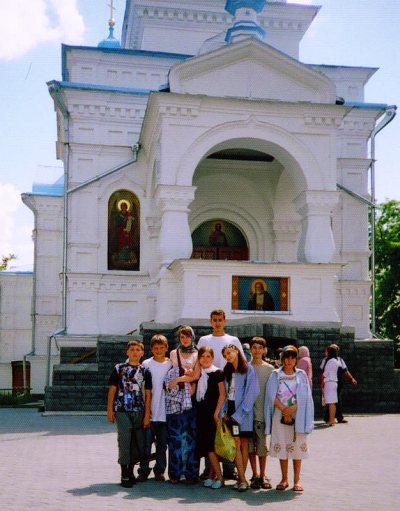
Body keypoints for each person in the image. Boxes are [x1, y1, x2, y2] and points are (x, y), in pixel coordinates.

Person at [197, 308, 244, 479]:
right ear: (210, 322)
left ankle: (229, 468)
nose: (217, 323)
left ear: (225, 321)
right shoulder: (204, 339)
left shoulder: (232, 340)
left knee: (226, 429)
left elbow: (240, 363)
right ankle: (210, 470)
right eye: (214, 320)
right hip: (208, 388)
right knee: (210, 430)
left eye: (220, 320)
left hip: (227, 387)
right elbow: (198, 361)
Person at [264, 345, 314, 492]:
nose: (289, 360)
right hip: (280, 413)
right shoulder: (275, 374)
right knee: (283, 445)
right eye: (287, 357)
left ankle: (297, 480)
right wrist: (284, 410)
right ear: (282, 358)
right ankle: (284, 478)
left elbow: (305, 395)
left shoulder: (301, 375)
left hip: (297, 413)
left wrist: (293, 409)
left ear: (296, 359)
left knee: (297, 446)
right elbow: (271, 394)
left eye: (293, 357)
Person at [107, 340, 151, 488]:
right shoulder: (119, 368)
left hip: (138, 410)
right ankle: (124, 473)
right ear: (127, 352)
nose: (135, 352)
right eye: (132, 349)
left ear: (142, 353)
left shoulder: (145, 370)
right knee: (124, 440)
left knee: (136, 442)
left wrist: (146, 415)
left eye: (138, 350)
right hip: (122, 409)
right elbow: (112, 389)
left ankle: (131, 471)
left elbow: (148, 393)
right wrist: (110, 410)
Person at [221, 344, 260, 492]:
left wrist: (240, 414)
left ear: (237, 351)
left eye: (229, 352)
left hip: (243, 413)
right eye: (225, 355)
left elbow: (253, 392)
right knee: (236, 443)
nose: (228, 356)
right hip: (231, 411)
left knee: (243, 443)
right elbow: (225, 394)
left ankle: (242, 479)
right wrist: (224, 412)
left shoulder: (248, 369)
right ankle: (242, 478)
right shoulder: (227, 371)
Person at [164, 326, 199, 484]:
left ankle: (191, 473)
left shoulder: (197, 353)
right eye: (182, 337)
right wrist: (184, 377)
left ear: (192, 337)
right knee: (176, 439)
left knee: (191, 439)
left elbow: (196, 376)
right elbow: (171, 374)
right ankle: (175, 473)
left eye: (188, 337)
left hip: (193, 400)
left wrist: (179, 380)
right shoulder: (173, 353)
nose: (185, 340)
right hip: (177, 402)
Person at [138, 334, 172, 482]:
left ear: (166, 348)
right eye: (156, 348)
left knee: (162, 445)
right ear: (151, 349)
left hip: (165, 413)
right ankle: (143, 470)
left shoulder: (171, 364)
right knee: (145, 444)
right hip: (150, 412)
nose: (159, 350)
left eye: (161, 348)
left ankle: (159, 470)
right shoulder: (146, 364)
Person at [196, 346, 226, 490]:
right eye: (202, 356)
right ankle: (211, 475)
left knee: (212, 447)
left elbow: (222, 394)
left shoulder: (217, 373)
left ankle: (220, 478)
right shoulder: (198, 374)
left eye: (208, 356)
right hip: (201, 413)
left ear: (212, 358)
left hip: (213, 414)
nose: (205, 359)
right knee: (208, 446)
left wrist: (216, 412)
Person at [248, 337, 274, 490]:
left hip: (262, 413)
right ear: (250, 349)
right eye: (254, 347)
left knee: (262, 447)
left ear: (264, 350)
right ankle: (255, 474)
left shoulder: (270, 369)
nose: (257, 350)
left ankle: (263, 474)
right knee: (251, 447)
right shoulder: (246, 367)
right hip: (248, 414)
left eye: (260, 348)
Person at [320, 343, 357, 423]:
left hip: (337, 381)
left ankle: (335, 417)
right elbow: (322, 372)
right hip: (328, 381)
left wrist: (352, 379)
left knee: (336, 400)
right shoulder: (325, 360)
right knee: (331, 400)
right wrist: (322, 382)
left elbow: (345, 371)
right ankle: (331, 417)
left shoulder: (339, 360)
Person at [321, 345, 340, 426]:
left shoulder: (330, 361)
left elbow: (325, 373)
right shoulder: (336, 360)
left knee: (330, 402)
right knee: (333, 402)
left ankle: (331, 420)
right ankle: (332, 419)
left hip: (329, 382)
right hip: (334, 382)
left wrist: (322, 381)